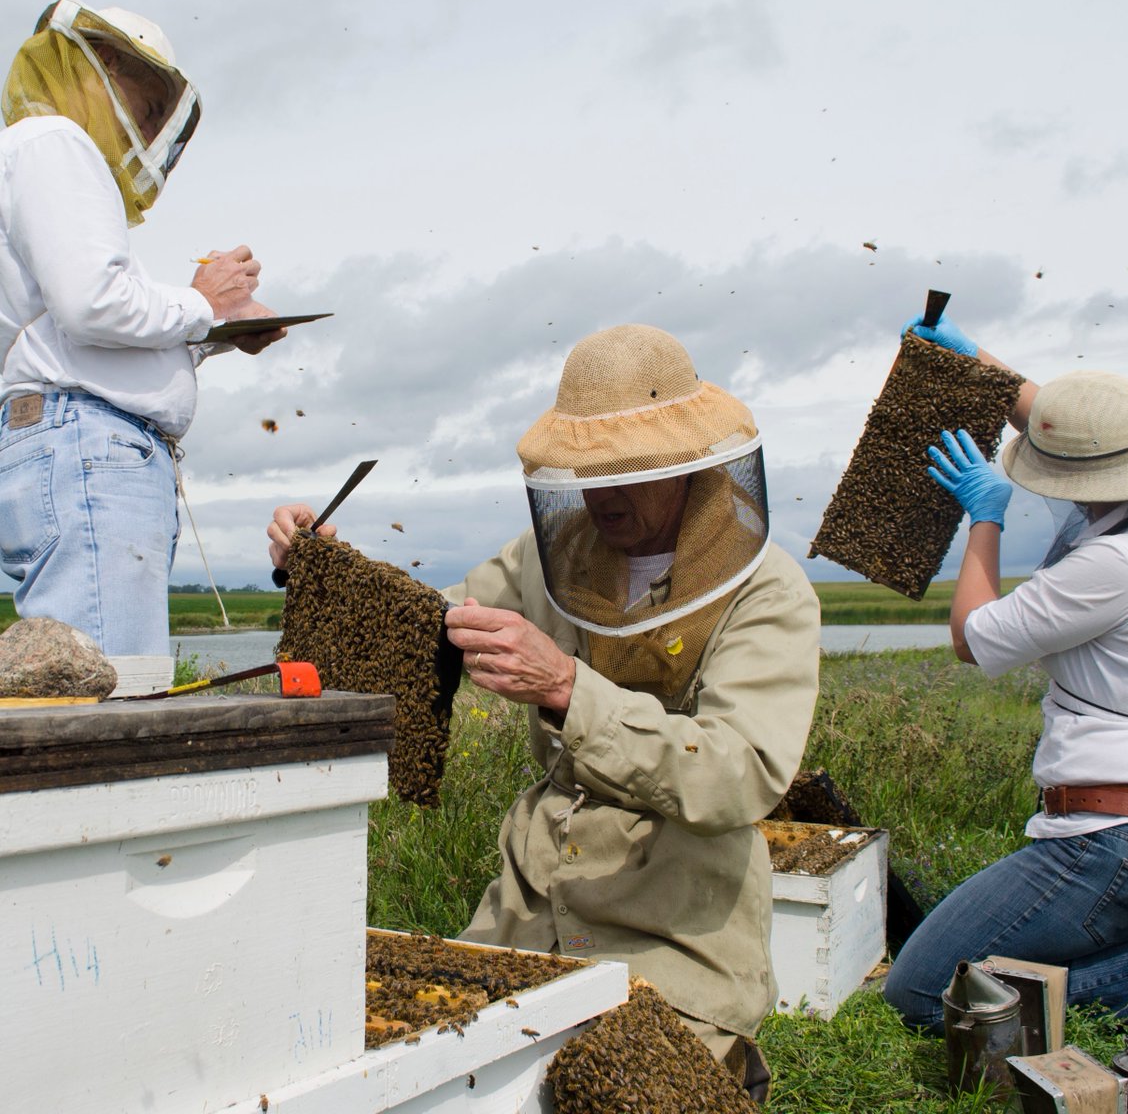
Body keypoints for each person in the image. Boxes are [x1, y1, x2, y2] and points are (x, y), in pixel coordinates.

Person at [268, 324, 821, 1100]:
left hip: (673, 931)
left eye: (627, 470)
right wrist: (327, 567)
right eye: (588, 470)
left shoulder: (769, 592)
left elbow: (739, 776)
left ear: (687, 464)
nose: (603, 494)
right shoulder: (552, 552)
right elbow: (434, 627)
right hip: (526, 906)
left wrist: (567, 687)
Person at [883, 311, 1128, 1029]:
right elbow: (1078, 426)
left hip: (1114, 843)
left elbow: (974, 637)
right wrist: (975, 364)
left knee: (922, 995)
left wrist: (985, 518)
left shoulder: (1113, 566)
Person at [0, 0, 285, 693]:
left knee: (98, 701)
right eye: (149, 98)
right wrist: (200, 301)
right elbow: (93, 303)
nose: (152, 123)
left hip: (73, 445)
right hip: (88, 449)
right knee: (110, 713)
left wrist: (216, 329)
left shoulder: (39, 156)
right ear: (100, 65)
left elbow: (69, 336)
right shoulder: (54, 142)